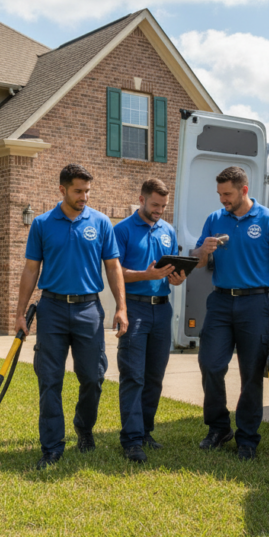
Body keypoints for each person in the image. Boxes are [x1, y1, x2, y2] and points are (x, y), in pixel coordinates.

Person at [16, 163, 129, 470]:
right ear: (62, 190)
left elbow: (113, 267)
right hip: (51, 309)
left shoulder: (101, 222)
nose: (84, 197)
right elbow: (31, 269)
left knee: (93, 377)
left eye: (87, 191)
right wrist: (20, 313)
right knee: (49, 380)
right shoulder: (42, 223)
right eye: (78, 191)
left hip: (88, 309)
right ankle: (52, 447)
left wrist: (121, 307)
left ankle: (84, 427)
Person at [191, 165, 269, 461]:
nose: (222, 200)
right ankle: (218, 428)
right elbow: (197, 261)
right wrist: (203, 251)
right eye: (219, 194)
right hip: (220, 301)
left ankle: (247, 438)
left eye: (227, 194)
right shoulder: (215, 219)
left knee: (251, 372)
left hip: (254, 304)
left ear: (244, 190)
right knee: (210, 364)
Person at [113, 178, 186, 463]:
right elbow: (115, 272)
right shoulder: (122, 230)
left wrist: (176, 278)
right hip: (135, 308)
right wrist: (146, 275)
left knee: (155, 376)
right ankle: (131, 441)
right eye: (155, 205)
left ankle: (145, 432)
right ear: (142, 199)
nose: (159, 210)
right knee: (134, 376)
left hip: (162, 309)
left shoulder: (168, 230)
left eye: (164, 206)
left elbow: (171, 270)